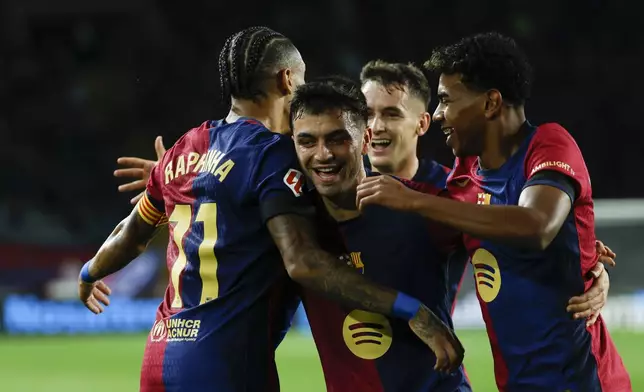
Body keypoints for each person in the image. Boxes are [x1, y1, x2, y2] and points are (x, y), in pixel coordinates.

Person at [78, 26, 463, 392]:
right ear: (286, 80)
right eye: (301, 77)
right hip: (225, 363)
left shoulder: (184, 148)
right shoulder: (273, 154)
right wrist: (410, 308)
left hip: (160, 353)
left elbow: (129, 235)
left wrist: (90, 271)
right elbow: (303, 262)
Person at [355, 32, 631, 391]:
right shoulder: (465, 174)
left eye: (445, 100)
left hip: (585, 381)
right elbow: (439, 223)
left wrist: (414, 200)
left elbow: (537, 224)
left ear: (490, 104)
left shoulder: (548, 143)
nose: (439, 115)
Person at [359, 59, 613, 326]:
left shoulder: (453, 189)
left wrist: (593, 269)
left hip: (437, 362)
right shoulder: (336, 188)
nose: (375, 126)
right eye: (367, 114)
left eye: (391, 114)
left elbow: (531, 226)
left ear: (421, 124)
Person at [290, 76, 469, 391]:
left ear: (364, 139)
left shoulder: (418, 206)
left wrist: (586, 264)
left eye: (337, 139)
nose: (323, 155)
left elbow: (507, 238)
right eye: (307, 141)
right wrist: (169, 203)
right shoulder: (295, 229)